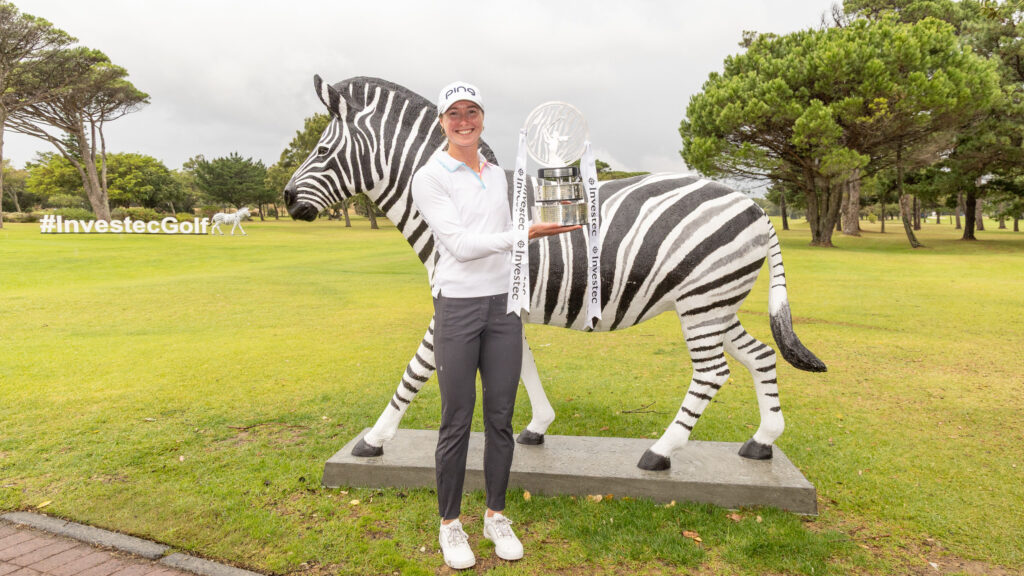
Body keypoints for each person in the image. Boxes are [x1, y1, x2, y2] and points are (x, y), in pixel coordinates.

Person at [411, 81, 578, 570]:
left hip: (504, 307)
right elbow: (461, 245)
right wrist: (522, 235)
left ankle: (496, 516)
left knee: (501, 418)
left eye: (472, 112)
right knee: (456, 420)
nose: (464, 121)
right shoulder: (431, 175)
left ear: (482, 117)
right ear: (442, 122)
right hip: (458, 307)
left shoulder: (497, 174)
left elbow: (508, 235)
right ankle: (450, 525)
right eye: (454, 114)